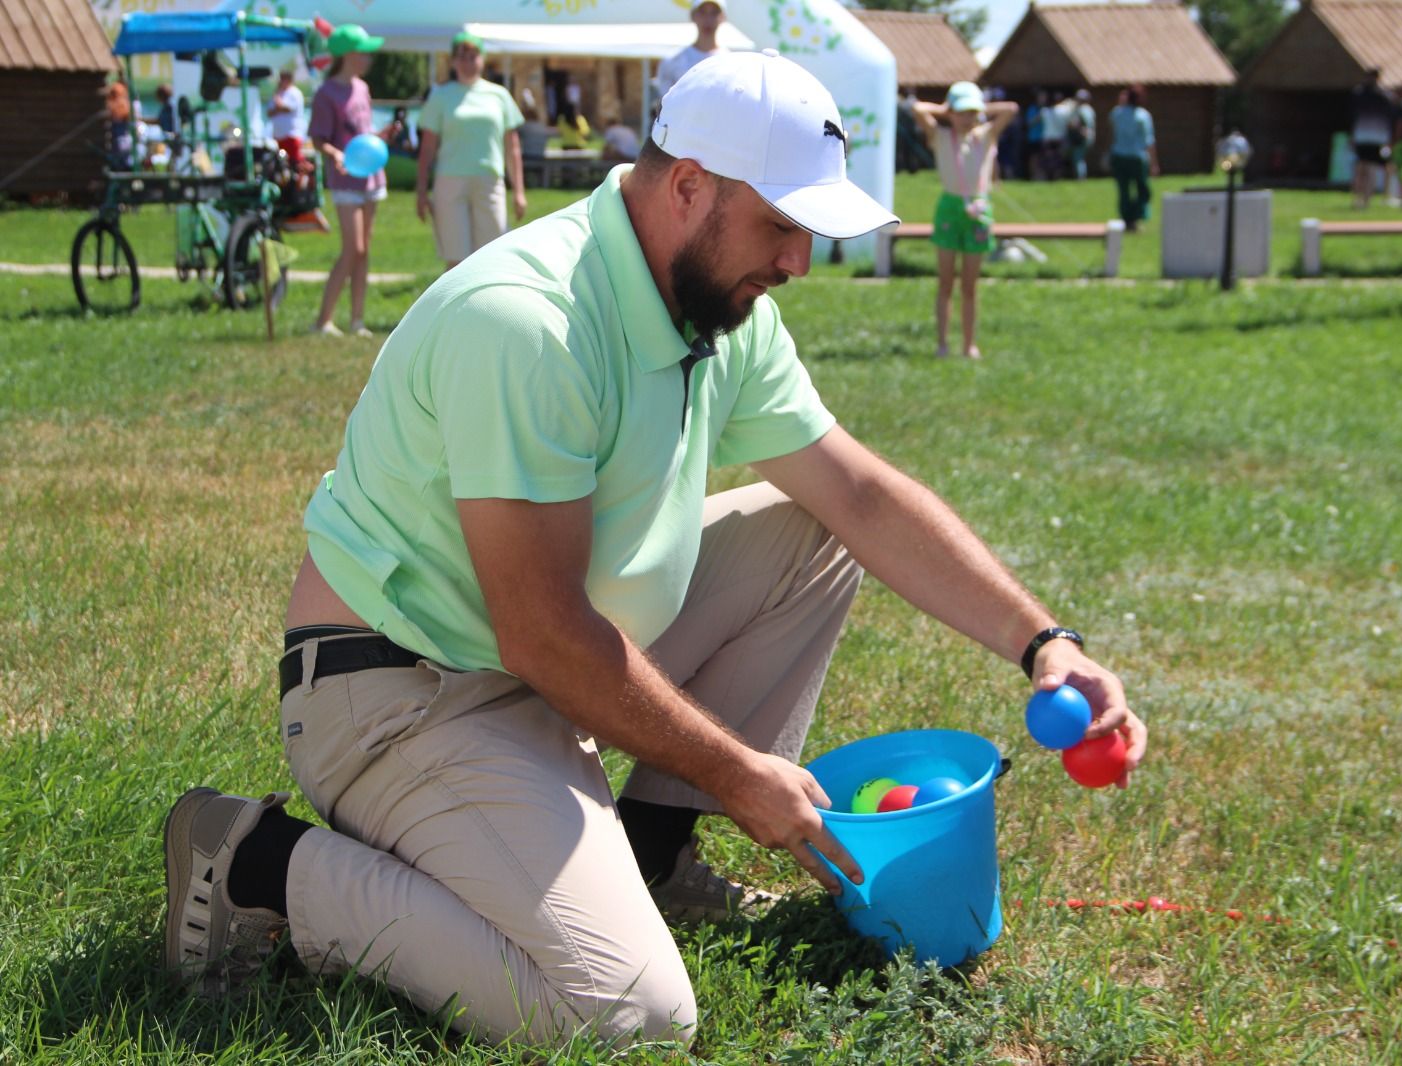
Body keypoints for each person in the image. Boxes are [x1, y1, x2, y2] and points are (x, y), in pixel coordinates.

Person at [159, 49, 1145, 1051]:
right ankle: (259, 863)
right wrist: (734, 771)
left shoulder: (715, 302)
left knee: (815, 530)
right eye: (781, 226)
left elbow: (858, 494)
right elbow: (544, 635)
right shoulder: (528, 323)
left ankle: (650, 854)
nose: (797, 262)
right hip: (403, 696)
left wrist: (1043, 643)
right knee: (625, 1018)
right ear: (687, 187)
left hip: (534, 663)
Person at [912, 81, 1018, 360]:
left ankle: (969, 344)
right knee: (946, 282)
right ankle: (943, 342)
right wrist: (946, 110)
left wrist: (979, 107)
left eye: (971, 112)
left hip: (979, 209)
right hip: (950, 208)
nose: (966, 118)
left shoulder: (985, 135)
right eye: (961, 112)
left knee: (969, 285)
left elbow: (1010, 109)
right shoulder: (941, 136)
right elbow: (917, 108)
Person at [415, 30, 526, 270]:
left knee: (493, 254)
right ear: (453, 61)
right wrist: (421, 190)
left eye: (473, 56)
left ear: (483, 59)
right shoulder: (441, 96)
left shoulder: (499, 95)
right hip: (450, 182)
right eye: (462, 56)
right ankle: (456, 307)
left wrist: (519, 190)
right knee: (456, 259)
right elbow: (427, 146)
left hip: (489, 180)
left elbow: (512, 146)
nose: (468, 62)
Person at [309, 24, 385, 337]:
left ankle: (357, 320)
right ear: (347, 55)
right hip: (345, 182)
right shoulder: (326, 94)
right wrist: (336, 155)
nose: (367, 57)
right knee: (351, 248)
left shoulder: (362, 88)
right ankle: (323, 320)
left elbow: (362, 134)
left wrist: (382, 137)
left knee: (364, 249)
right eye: (362, 51)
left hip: (371, 177)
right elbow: (318, 139)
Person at [1108, 85, 1158, 232]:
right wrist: (1154, 163)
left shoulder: (1116, 113)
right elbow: (1149, 141)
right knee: (1144, 191)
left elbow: (1111, 135)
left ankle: (1127, 218)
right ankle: (1133, 218)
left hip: (1119, 156)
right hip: (1137, 157)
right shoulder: (1143, 116)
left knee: (1124, 191)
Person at [655, 1, 726, 102]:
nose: (708, 19)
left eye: (714, 13)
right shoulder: (672, 61)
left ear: (723, 17)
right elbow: (666, 106)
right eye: (702, 12)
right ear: (693, 16)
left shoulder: (730, 62)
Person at [1349, 68, 1392, 209]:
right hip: (1368, 137)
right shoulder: (1380, 95)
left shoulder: (1376, 95)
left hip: (1371, 137)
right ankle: (1360, 199)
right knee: (1363, 169)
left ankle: (1363, 200)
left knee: (1366, 169)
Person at [268, 66, 305, 163]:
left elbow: (288, 108)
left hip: (292, 134)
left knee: (295, 161)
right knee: (281, 162)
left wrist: (279, 106)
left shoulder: (295, 93)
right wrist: (278, 107)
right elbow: (270, 112)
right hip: (278, 136)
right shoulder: (277, 93)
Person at [1064, 88, 1095, 181]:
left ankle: (1080, 178)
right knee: (1079, 157)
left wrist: (1074, 126)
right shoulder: (1088, 109)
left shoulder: (1083, 109)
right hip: (1085, 137)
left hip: (1081, 138)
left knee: (1078, 158)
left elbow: (1082, 125)